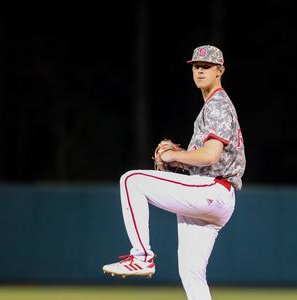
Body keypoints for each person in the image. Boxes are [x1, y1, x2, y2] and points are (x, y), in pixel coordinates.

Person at [102, 45, 246, 300]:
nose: (200, 71)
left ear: (220, 71)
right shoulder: (211, 105)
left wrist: (172, 155)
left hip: (213, 189)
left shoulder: (218, 104)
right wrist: (179, 161)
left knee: (131, 180)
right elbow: (207, 159)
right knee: (192, 275)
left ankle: (141, 257)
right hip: (213, 196)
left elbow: (211, 155)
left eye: (206, 67)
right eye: (196, 67)